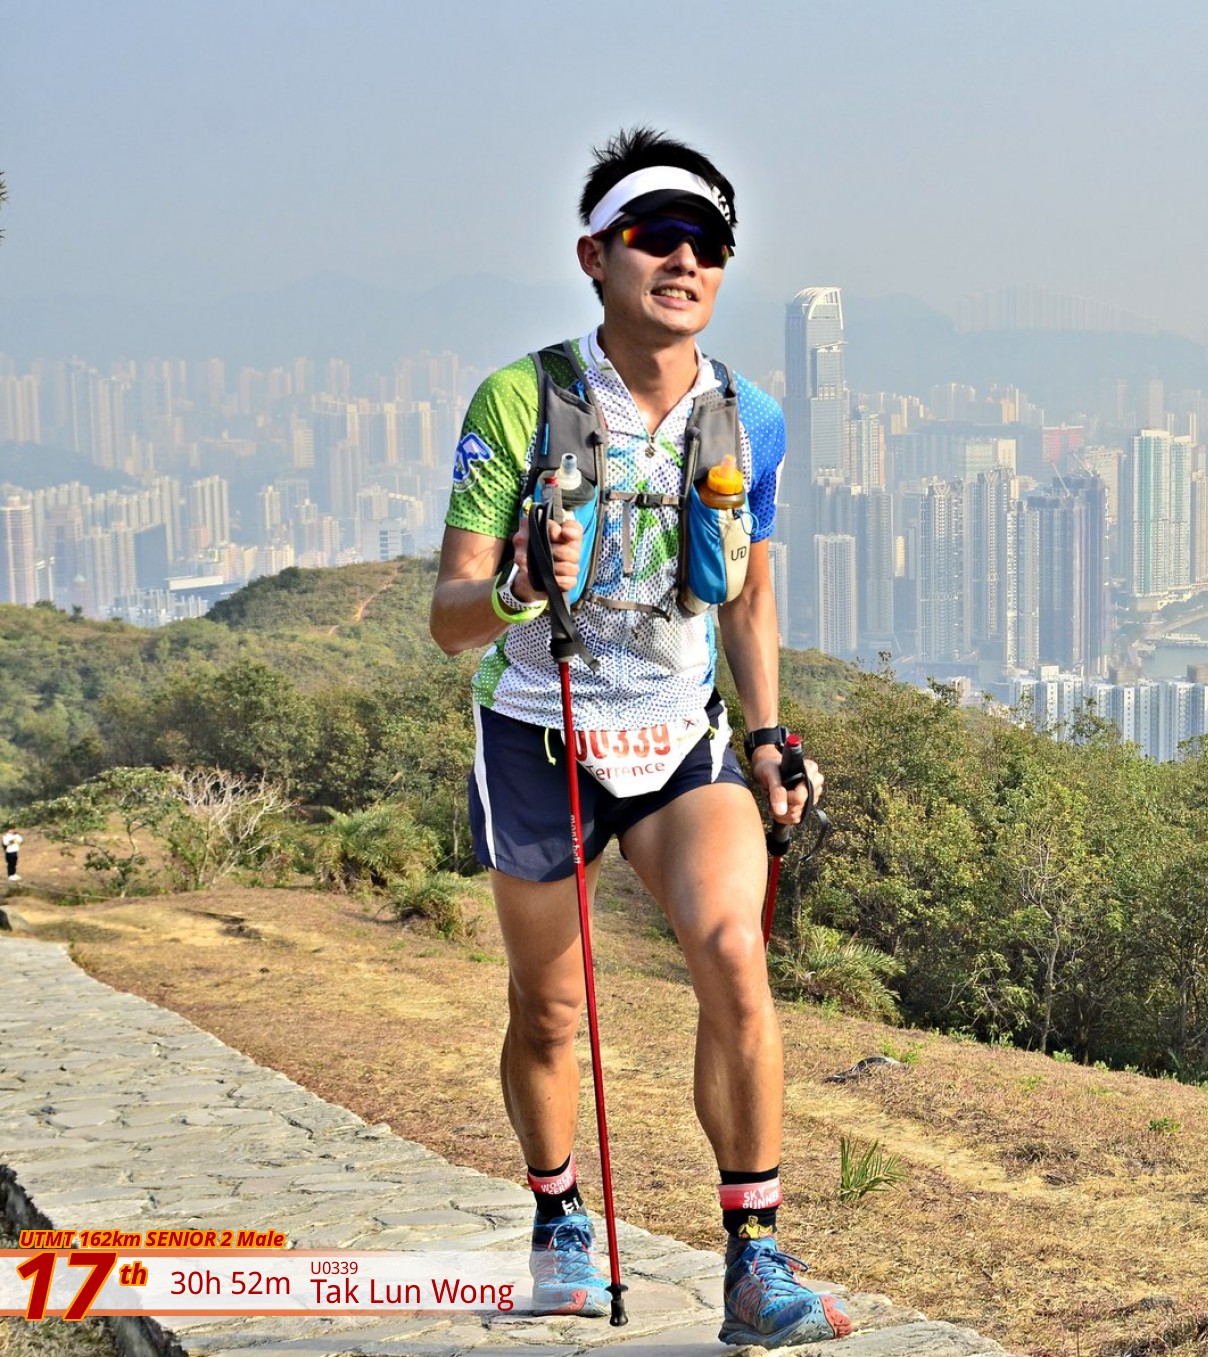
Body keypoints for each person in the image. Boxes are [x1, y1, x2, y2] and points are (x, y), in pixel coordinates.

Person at [429, 127, 846, 1349]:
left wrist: (766, 735)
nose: (683, 260)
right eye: (653, 236)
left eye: (706, 242)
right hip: (539, 735)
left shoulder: (748, 417)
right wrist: (518, 583)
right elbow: (449, 618)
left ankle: (754, 1260)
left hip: (679, 742)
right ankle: (559, 1214)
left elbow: (749, 596)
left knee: (732, 951)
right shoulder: (522, 400)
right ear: (593, 257)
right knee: (549, 1007)